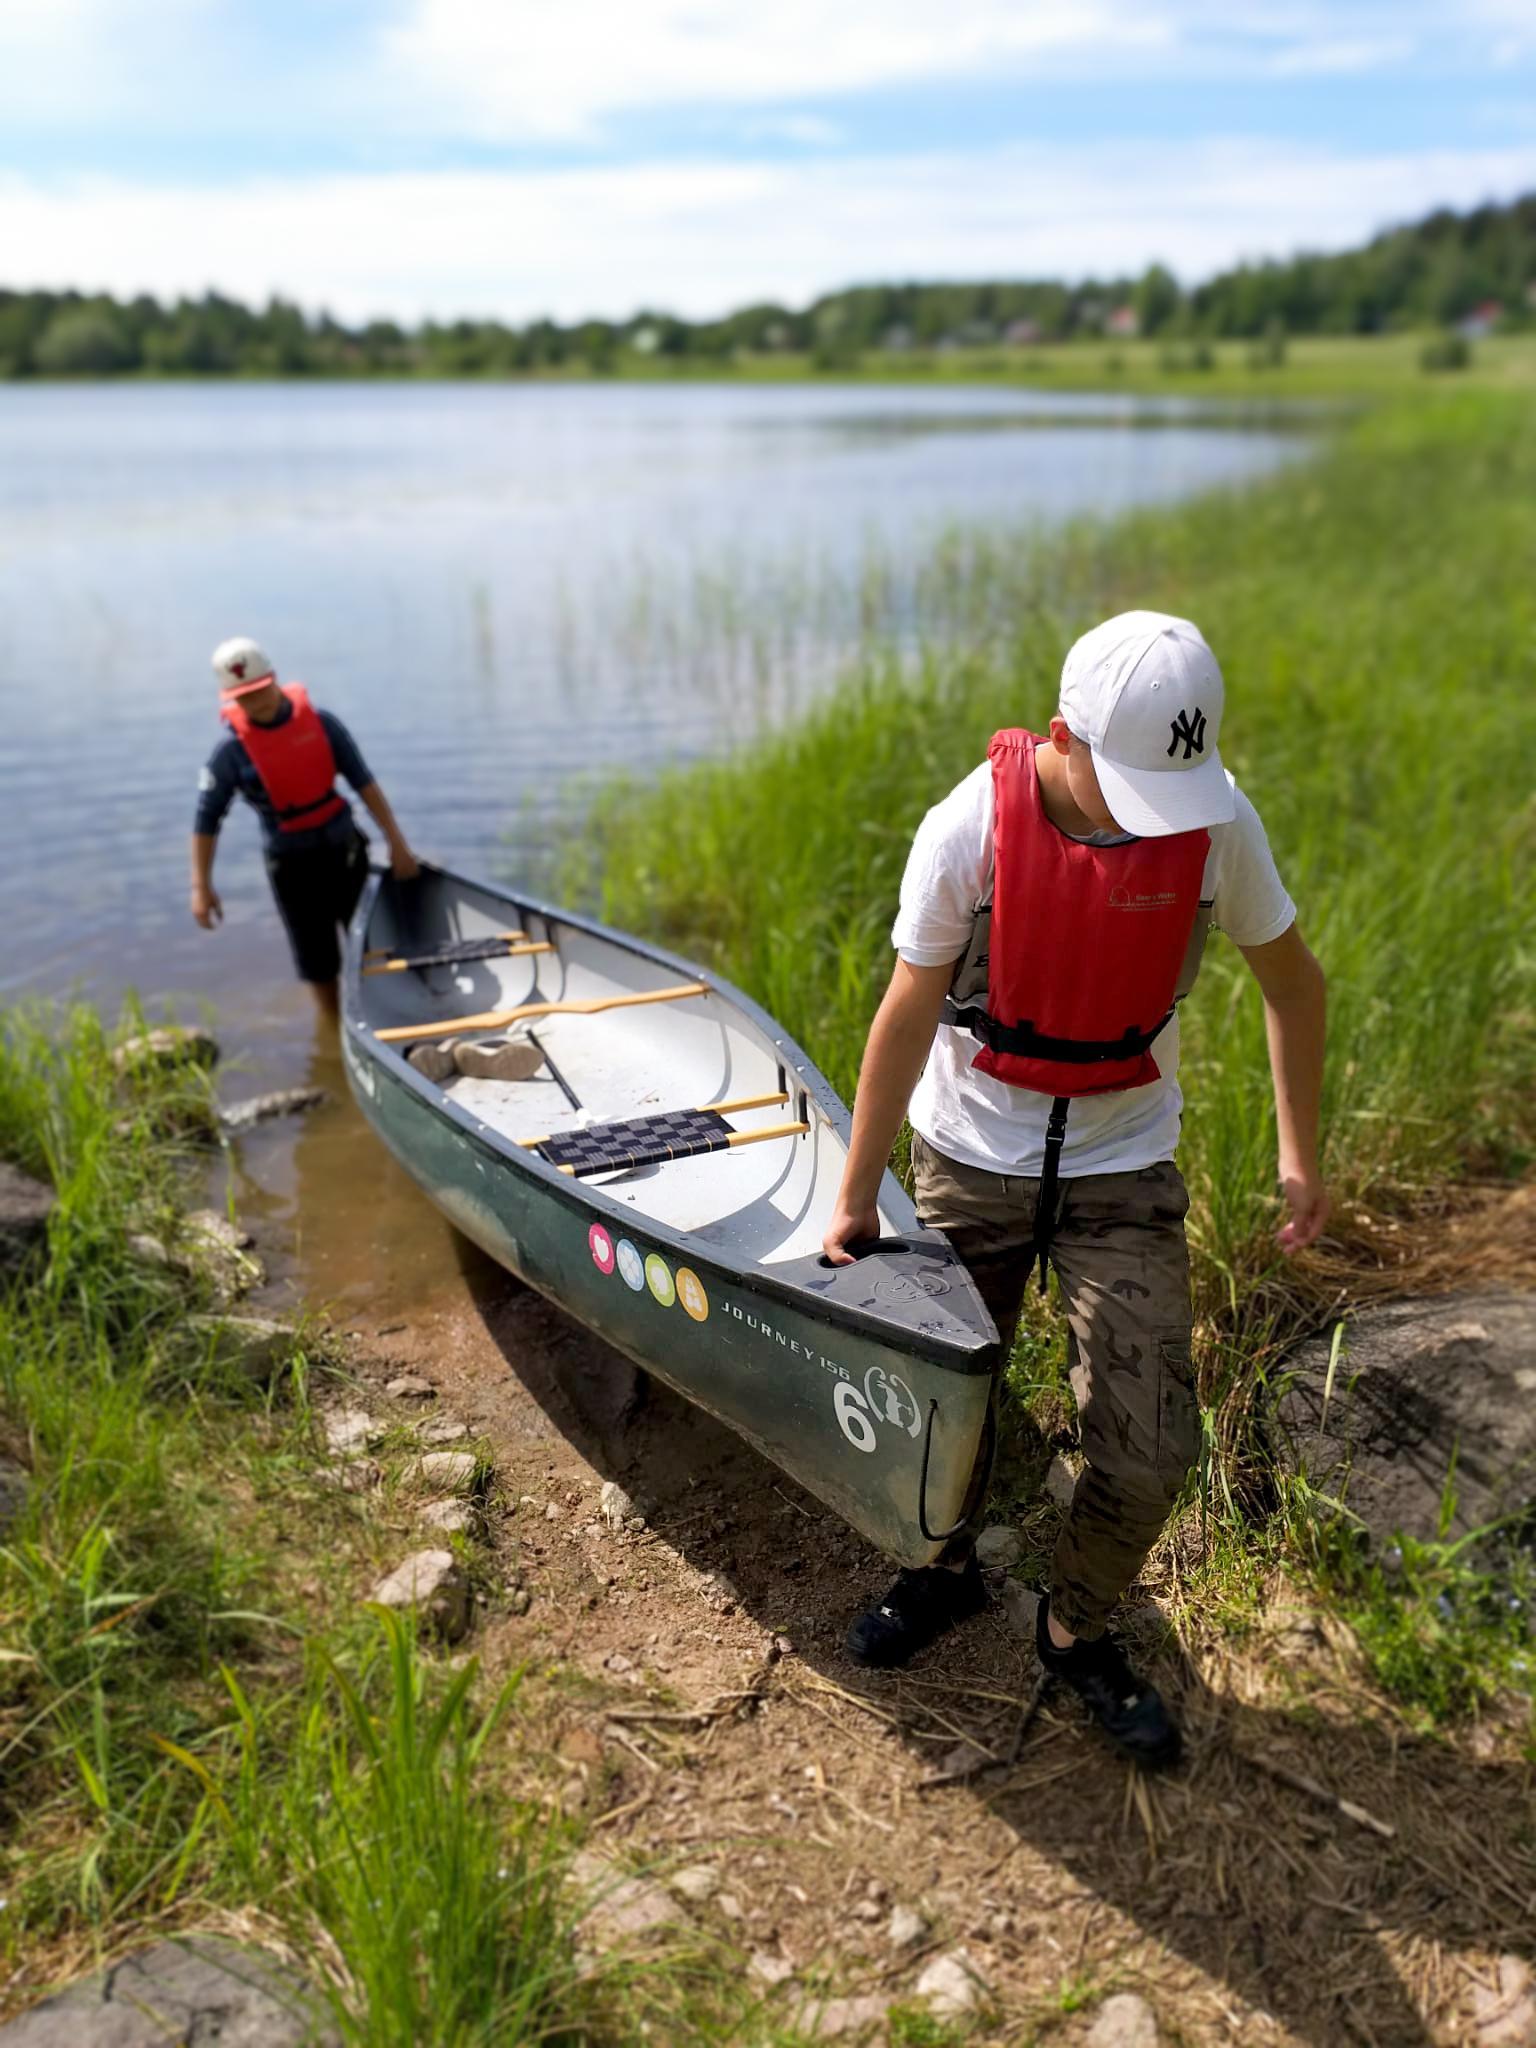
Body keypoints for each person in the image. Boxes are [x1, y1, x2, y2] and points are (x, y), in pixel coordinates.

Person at [822, 611, 1328, 1767]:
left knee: (1151, 1446)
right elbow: (906, 1012)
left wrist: (1301, 1152)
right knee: (943, 1406)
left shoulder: (1217, 822)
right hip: (971, 1152)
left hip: (1124, 1162)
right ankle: (940, 1567)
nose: (1159, 813)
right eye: (1132, 783)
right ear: (1063, 736)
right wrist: (857, 1192)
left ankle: (1073, 1628)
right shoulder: (968, 828)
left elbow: (1298, 987)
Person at [189, 636, 419, 1021]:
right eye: (244, 696)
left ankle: (384, 1016)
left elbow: (364, 783)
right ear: (230, 699)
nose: (256, 702)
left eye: (261, 690)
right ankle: (334, 1025)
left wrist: (396, 843)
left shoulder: (323, 725)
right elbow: (206, 821)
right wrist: (201, 886)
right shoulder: (230, 754)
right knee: (316, 960)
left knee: (371, 941)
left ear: (275, 679)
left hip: (344, 851)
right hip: (291, 866)